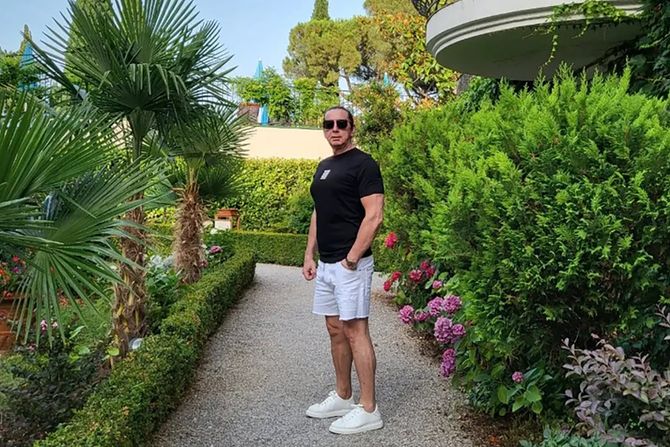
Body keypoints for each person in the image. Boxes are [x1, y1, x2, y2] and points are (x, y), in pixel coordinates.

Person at [302, 106, 385, 435]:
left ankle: (369, 409)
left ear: (351, 128)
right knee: (335, 329)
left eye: (341, 124)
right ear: (323, 129)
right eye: (328, 124)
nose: (334, 129)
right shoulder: (324, 166)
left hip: (351, 264)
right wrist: (309, 253)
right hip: (326, 263)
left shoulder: (364, 164)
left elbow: (374, 215)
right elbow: (318, 211)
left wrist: (352, 258)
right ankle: (342, 396)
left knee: (355, 331)